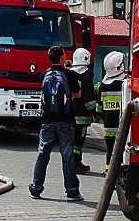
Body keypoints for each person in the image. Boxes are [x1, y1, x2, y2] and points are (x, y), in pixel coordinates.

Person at [29, 46, 83, 201]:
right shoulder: (70, 74)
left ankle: (36, 188)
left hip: (47, 121)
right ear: (61, 57)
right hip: (65, 121)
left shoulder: (44, 74)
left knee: (42, 154)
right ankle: (72, 190)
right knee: (67, 156)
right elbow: (77, 93)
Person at [97, 51, 126, 173]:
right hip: (122, 127)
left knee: (110, 151)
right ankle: (118, 176)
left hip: (108, 127)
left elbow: (99, 108)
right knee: (121, 152)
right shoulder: (123, 85)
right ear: (119, 67)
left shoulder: (103, 86)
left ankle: (109, 172)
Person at [70, 48, 97, 174]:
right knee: (78, 142)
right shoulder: (86, 76)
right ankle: (76, 163)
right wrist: (95, 113)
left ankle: (72, 162)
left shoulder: (69, 74)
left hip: (69, 115)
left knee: (72, 140)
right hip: (82, 116)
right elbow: (89, 100)